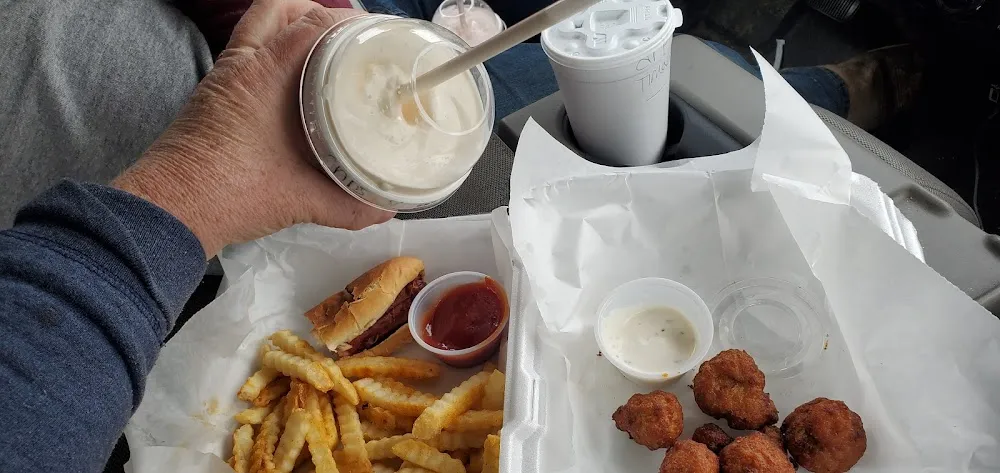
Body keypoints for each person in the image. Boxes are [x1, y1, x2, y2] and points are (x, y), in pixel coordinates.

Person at [0, 1, 919, 471]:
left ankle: (843, 93)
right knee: (682, 75)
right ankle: (845, 94)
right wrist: (190, 187)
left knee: (517, 63)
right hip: (270, 183)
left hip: (293, 96)